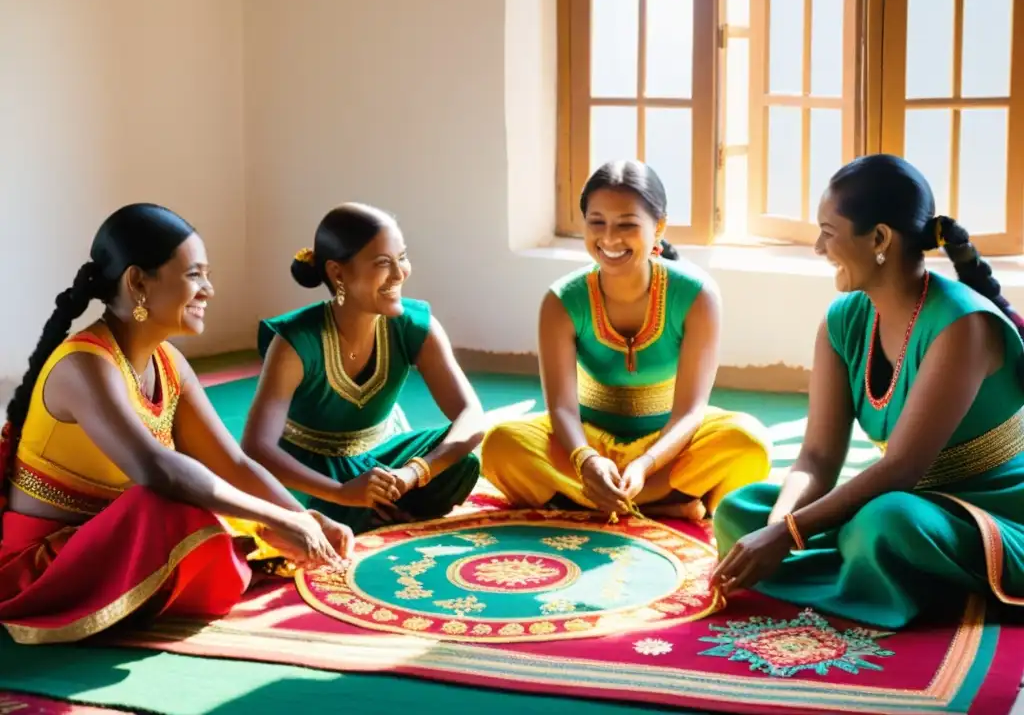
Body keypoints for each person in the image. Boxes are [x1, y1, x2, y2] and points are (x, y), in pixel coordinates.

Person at [0, 203, 353, 645]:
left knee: (219, 506)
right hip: (48, 564)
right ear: (137, 283)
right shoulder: (83, 366)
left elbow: (232, 464)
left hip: (117, 539)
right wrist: (276, 517)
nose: (209, 289)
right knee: (173, 502)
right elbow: (157, 470)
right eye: (194, 275)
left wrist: (303, 519)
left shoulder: (169, 362)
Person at [712, 154, 1024, 629]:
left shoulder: (962, 325)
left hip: (992, 513)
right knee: (740, 512)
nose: (818, 247)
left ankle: (872, 573)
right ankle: (883, 581)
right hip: (900, 502)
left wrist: (790, 534)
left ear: (879, 239)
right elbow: (816, 458)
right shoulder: (843, 321)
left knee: (885, 522)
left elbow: (901, 468)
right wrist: (778, 525)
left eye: (828, 232)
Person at [481, 160, 772, 518]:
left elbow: (689, 411)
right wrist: (586, 460)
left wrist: (644, 465)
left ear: (659, 227)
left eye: (627, 224)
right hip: (587, 442)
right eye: (597, 222)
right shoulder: (561, 301)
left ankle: (590, 503)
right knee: (500, 445)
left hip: (666, 447)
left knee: (748, 443)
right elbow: (561, 408)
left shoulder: (697, 296)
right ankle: (665, 504)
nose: (609, 238)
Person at [241, 203, 483, 534]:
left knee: (462, 462)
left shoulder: (415, 326)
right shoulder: (296, 342)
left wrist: (411, 474)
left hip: (383, 458)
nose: (399, 274)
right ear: (338, 273)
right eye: (383, 263)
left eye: (402, 258)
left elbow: (471, 417)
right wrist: (342, 492)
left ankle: (374, 509)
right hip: (313, 470)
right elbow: (257, 448)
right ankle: (356, 510)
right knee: (309, 509)